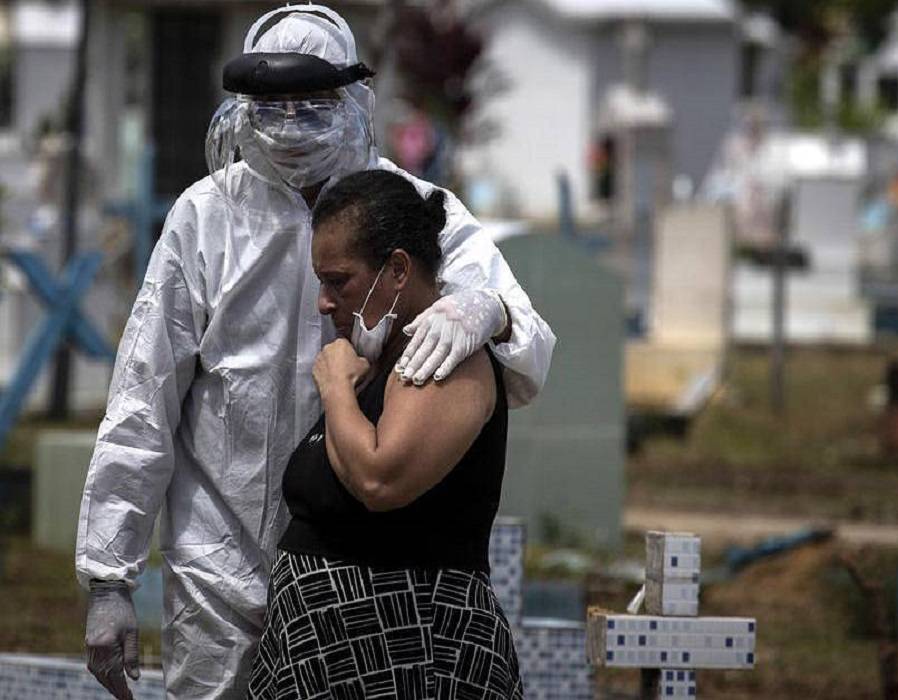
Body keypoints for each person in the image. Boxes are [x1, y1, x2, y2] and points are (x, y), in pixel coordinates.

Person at [77, 5, 554, 699]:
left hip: (359, 570)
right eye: (274, 107)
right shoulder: (205, 217)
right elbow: (142, 400)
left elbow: (530, 344)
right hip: (217, 564)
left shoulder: (414, 208)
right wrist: (109, 576)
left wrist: (489, 308)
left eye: (314, 104)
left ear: (356, 98)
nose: (293, 127)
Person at [248, 168, 521, 699]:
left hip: (412, 655)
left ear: (397, 269)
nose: (325, 303)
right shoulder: (377, 363)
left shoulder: (444, 355)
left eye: (339, 281)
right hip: (329, 660)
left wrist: (335, 388)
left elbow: (380, 480)